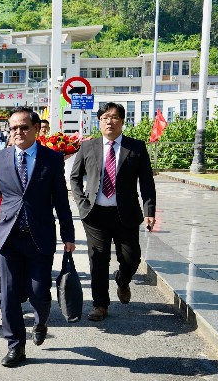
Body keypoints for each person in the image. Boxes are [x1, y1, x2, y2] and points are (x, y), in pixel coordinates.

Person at [0, 107, 75, 367]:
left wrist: (68, 234)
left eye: (23, 127)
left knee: (38, 291)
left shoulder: (52, 159)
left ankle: (41, 320)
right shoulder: (0, 158)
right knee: (9, 294)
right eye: (13, 128)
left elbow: (61, 202)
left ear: (35, 130)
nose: (18, 132)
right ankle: (15, 346)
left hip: (40, 235)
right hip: (8, 236)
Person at [70, 102, 156, 322]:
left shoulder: (135, 147)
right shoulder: (88, 147)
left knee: (131, 257)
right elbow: (75, 177)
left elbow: (146, 181)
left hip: (125, 213)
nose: (109, 121)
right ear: (99, 122)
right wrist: (81, 203)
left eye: (114, 117)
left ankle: (123, 280)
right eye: (105, 117)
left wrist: (150, 209)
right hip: (95, 215)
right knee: (97, 260)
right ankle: (100, 304)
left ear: (122, 121)